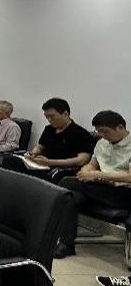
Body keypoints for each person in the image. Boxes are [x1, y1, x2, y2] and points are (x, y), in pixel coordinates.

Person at [55, 110, 131, 258]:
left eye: (105, 131)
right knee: (70, 197)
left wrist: (97, 175)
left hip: (124, 192)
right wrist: (86, 172)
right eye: (99, 131)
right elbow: (92, 164)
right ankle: (66, 244)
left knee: (66, 182)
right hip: (102, 188)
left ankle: (49, 224)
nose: (102, 135)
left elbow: (129, 177)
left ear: (120, 127)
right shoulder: (102, 143)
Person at [0, 98, 94, 178]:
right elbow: (39, 146)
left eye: (52, 116)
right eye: (47, 117)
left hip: (58, 169)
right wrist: (33, 153)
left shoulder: (81, 134)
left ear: (65, 114)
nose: (49, 119)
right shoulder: (49, 129)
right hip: (41, 164)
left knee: (27, 175)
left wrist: (50, 162)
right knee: (7, 160)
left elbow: (82, 160)